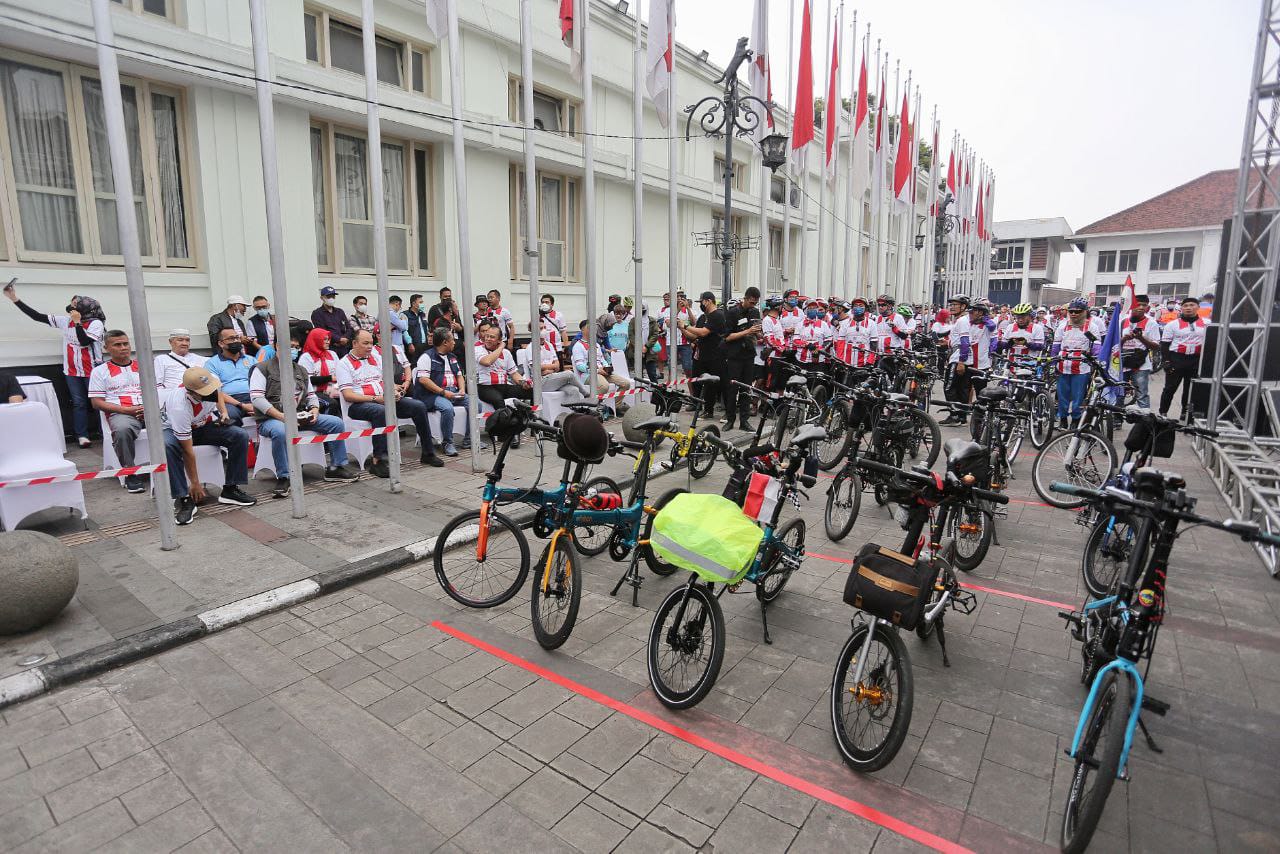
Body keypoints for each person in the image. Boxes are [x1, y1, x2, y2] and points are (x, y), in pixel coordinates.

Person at [250, 327, 359, 497]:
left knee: (335, 423)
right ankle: (285, 476)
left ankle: (336, 467)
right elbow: (257, 399)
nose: (293, 350)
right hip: (271, 419)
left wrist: (314, 410)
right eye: (289, 346)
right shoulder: (262, 369)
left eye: (295, 347)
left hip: (299, 416)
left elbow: (310, 395)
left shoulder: (300, 370)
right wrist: (281, 417)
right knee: (280, 431)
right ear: (276, 346)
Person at [4, 281, 104, 447]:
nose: (72, 308)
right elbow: (37, 316)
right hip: (71, 371)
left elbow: (85, 341)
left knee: (98, 403)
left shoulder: (96, 324)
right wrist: (14, 298)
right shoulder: (65, 321)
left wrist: (78, 323)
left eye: (75, 306)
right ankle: (82, 436)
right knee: (78, 403)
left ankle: (105, 433)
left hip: (93, 370)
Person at [337, 330, 444, 474]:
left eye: (371, 342)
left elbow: (386, 382)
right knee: (380, 412)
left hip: (383, 399)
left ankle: (428, 452)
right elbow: (348, 395)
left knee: (418, 406)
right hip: (358, 405)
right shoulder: (344, 364)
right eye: (365, 343)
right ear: (354, 343)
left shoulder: (375, 358)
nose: (370, 346)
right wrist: (376, 399)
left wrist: (395, 392)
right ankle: (378, 461)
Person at [162, 367, 256, 524]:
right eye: (206, 391)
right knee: (168, 447)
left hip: (202, 426)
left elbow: (217, 393)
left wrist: (224, 412)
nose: (210, 392)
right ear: (192, 392)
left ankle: (230, 489)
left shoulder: (208, 381)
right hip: (174, 430)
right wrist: (195, 483)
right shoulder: (180, 407)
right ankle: (183, 498)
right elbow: (187, 450)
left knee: (239, 435)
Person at [89, 330, 148, 494]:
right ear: (106, 348)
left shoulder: (143, 366)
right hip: (122, 413)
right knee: (122, 430)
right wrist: (126, 410)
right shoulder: (100, 371)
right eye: (117, 345)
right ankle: (130, 473)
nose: (123, 348)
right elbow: (96, 403)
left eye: (125, 344)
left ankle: (175, 468)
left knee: (177, 423)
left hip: (149, 411)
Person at [415, 328, 471, 456]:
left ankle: (469, 439)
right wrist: (443, 392)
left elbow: (459, 376)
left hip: (453, 392)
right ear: (445, 342)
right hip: (432, 395)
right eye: (452, 340)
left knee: (475, 404)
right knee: (447, 408)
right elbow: (423, 380)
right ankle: (447, 442)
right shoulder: (427, 357)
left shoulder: (452, 357)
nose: (454, 342)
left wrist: (462, 389)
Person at [474, 327, 533, 442]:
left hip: (503, 385)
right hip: (485, 386)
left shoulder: (506, 353)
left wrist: (523, 383)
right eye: (487, 336)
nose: (488, 339)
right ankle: (507, 432)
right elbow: (487, 362)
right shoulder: (478, 349)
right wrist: (501, 347)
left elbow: (514, 374)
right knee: (498, 400)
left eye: (492, 337)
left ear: (499, 339)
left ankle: (532, 425)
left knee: (532, 392)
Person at [1051, 297, 1103, 428]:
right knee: (1062, 395)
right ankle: (1062, 418)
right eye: (1071, 311)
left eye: (1077, 311)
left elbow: (1096, 347)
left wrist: (1095, 361)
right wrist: (1052, 362)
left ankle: (1076, 419)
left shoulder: (1092, 327)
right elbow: (1056, 346)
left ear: (1085, 311)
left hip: (1082, 367)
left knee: (1078, 396)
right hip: (1063, 366)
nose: (1074, 314)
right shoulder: (1062, 326)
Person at [944, 298, 996, 425]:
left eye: (973, 311)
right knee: (963, 389)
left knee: (976, 392)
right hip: (968, 361)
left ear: (980, 313)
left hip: (975, 362)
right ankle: (961, 416)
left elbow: (966, 343)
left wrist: (961, 361)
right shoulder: (965, 321)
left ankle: (965, 417)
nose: (970, 313)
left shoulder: (984, 324)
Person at [1159, 296, 1208, 419]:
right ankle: (1163, 413)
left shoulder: (1207, 323)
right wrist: (1166, 362)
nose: (1189, 308)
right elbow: (1164, 345)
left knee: (1190, 390)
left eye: (1192, 305)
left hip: (1196, 360)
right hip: (1177, 359)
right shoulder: (1172, 325)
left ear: (1198, 307)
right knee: (1169, 388)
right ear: (1181, 308)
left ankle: (1186, 414)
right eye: (1185, 306)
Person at [722, 287, 762, 430]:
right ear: (745, 298)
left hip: (749, 355)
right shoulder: (733, 312)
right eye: (751, 302)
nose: (753, 306)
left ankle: (744, 421)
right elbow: (727, 337)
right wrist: (747, 331)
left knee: (746, 389)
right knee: (732, 389)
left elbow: (758, 333)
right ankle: (730, 419)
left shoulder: (755, 312)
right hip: (735, 356)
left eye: (755, 303)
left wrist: (758, 334)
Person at [681, 291, 726, 417]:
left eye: (702, 302)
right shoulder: (702, 317)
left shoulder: (718, 315)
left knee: (713, 385)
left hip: (714, 356)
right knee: (697, 382)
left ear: (708, 301)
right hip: (700, 356)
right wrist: (682, 328)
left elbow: (703, 333)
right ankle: (698, 405)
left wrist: (686, 326)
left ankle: (710, 410)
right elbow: (694, 336)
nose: (701, 304)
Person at [522, 325, 591, 403]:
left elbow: (557, 366)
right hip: (539, 382)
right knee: (569, 374)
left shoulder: (549, 345)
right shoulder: (531, 348)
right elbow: (536, 368)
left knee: (574, 390)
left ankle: (574, 413)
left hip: (552, 377)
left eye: (545, 327)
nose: (544, 330)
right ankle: (586, 394)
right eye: (541, 328)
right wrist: (551, 367)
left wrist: (548, 370)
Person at [206, 327, 257, 424]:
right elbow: (215, 392)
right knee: (230, 415)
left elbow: (264, 383)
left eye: (237, 338)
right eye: (231, 339)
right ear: (221, 343)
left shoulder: (251, 360)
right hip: (229, 401)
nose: (236, 341)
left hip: (254, 396)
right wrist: (241, 405)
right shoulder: (212, 363)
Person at [1120, 295, 1161, 410]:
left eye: (1144, 305)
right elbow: (1114, 344)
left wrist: (1141, 338)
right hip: (1122, 361)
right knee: (1119, 392)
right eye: (1138, 304)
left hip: (1141, 363)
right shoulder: (1123, 321)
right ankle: (1116, 419)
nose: (1141, 307)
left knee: (1141, 394)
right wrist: (1124, 339)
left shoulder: (1151, 323)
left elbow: (1156, 346)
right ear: (1131, 305)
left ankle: (1144, 423)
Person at [298, 328, 341, 415]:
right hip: (313, 392)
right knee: (331, 403)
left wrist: (334, 386)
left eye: (328, 339)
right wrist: (330, 378)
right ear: (316, 340)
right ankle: (329, 426)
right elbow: (308, 380)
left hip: (333, 388)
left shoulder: (332, 354)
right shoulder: (306, 357)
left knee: (347, 397)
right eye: (325, 339)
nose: (328, 342)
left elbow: (340, 374)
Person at [572, 320, 620, 396]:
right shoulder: (578, 346)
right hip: (588, 375)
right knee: (604, 386)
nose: (593, 330)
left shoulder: (596, 344)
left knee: (625, 384)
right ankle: (590, 404)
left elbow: (602, 359)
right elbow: (579, 366)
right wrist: (597, 370)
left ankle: (616, 406)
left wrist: (606, 367)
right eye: (590, 327)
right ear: (582, 330)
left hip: (602, 372)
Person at [311, 286, 351, 356]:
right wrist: (339, 339)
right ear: (322, 298)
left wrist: (345, 338)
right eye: (328, 297)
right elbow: (322, 332)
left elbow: (349, 328)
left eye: (333, 296)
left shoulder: (340, 311)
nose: (331, 299)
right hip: (330, 347)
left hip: (344, 347)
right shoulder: (317, 313)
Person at [794, 298, 831, 366]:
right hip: (801, 359)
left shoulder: (823, 324)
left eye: (815, 308)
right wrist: (807, 344)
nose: (813, 310)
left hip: (819, 360)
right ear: (805, 310)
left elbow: (829, 340)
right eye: (810, 308)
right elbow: (795, 340)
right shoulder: (799, 324)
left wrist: (819, 349)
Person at [403, 293, 429, 363]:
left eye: (422, 302)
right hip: (414, 346)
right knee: (414, 366)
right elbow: (404, 331)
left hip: (424, 345)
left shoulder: (422, 314)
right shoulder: (405, 314)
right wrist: (410, 344)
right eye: (420, 302)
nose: (422, 304)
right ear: (413, 303)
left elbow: (426, 328)